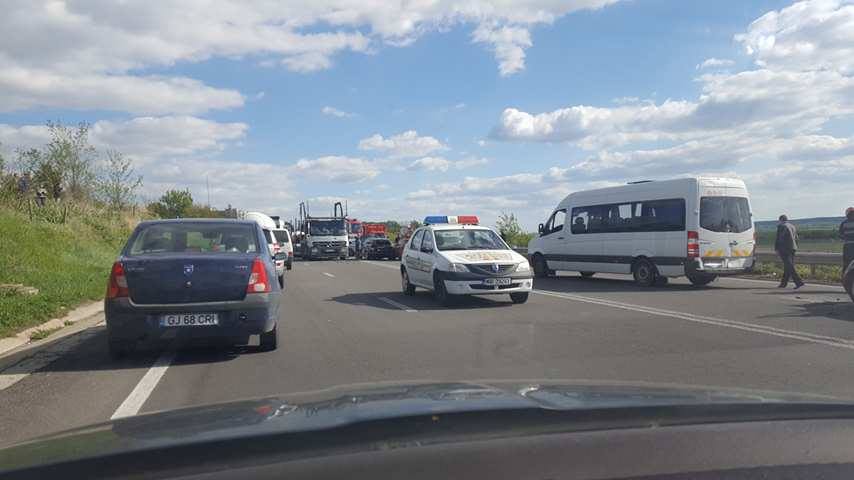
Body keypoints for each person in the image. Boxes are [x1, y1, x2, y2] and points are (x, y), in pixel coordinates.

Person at [774, 214, 804, 289]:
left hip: (784, 249)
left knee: (789, 266)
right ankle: (783, 283)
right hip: (793, 248)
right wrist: (795, 246)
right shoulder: (792, 226)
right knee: (788, 266)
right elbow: (796, 238)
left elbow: (779, 238)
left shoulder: (781, 226)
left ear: (780, 220)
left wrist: (777, 248)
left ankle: (798, 282)